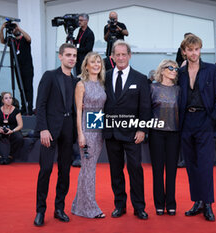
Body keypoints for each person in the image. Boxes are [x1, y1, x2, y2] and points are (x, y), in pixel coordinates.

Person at [178, 34, 216, 222]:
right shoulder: (180, 73)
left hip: (205, 121)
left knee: (205, 165)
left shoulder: (213, 70)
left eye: (196, 49)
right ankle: (197, 201)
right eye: (190, 50)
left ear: (200, 49)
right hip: (186, 121)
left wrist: (212, 118)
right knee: (191, 165)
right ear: (184, 52)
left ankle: (208, 204)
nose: (194, 53)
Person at [103, 40, 150, 220]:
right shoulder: (105, 76)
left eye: (124, 54)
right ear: (113, 57)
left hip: (133, 134)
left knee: (135, 169)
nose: (121, 58)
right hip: (111, 133)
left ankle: (139, 207)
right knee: (116, 171)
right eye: (118, 55)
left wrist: (142, 129)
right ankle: (120, 205)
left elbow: (145, 107)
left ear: (129, 56)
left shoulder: (140, 78)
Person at [33, 43, 78, 226]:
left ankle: (59, 208)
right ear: (60, 56)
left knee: (65, 171)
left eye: (74, 55)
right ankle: (40, 211)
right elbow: (40, 104)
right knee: (45, 170)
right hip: (49, 130)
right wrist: (42, 128)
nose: (72, 58)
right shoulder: (50, 76)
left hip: (69, 129)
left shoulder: (77, 81)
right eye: (68, 55)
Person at [71, 52, 106, 219]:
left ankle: (79, 205)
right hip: (87, 129)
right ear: (86, 66)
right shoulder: (81, 84)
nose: (96, 64)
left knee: (88, 169)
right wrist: (80, 134)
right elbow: (78, 111)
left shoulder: (102, 84)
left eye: (98, 62)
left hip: (99, 129)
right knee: (89, 169)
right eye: (93, 62)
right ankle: (89, 207)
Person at [149, 60, 180, 216]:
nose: (174, 70)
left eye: (176, 68)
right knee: (158, 170)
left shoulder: (179, 90)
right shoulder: (152, 88)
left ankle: (171, 203)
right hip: (156, 133)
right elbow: (146, 110)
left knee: (172, 171)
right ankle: (159, 204)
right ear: (162, 70)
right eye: (171, 68)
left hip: (174, 133)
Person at [0, 22, 34, 115]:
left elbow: (29, 38)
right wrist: (2, 29)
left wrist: (19, 28)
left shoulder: (24, 39)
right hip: (17, 67)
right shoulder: (12, 41)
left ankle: (29, 107)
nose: (14, 30)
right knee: (21, 88)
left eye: (15, 28)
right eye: (13, 29)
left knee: (28, 88)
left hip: (27, 67)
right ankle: (24, 107)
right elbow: (2, 41)